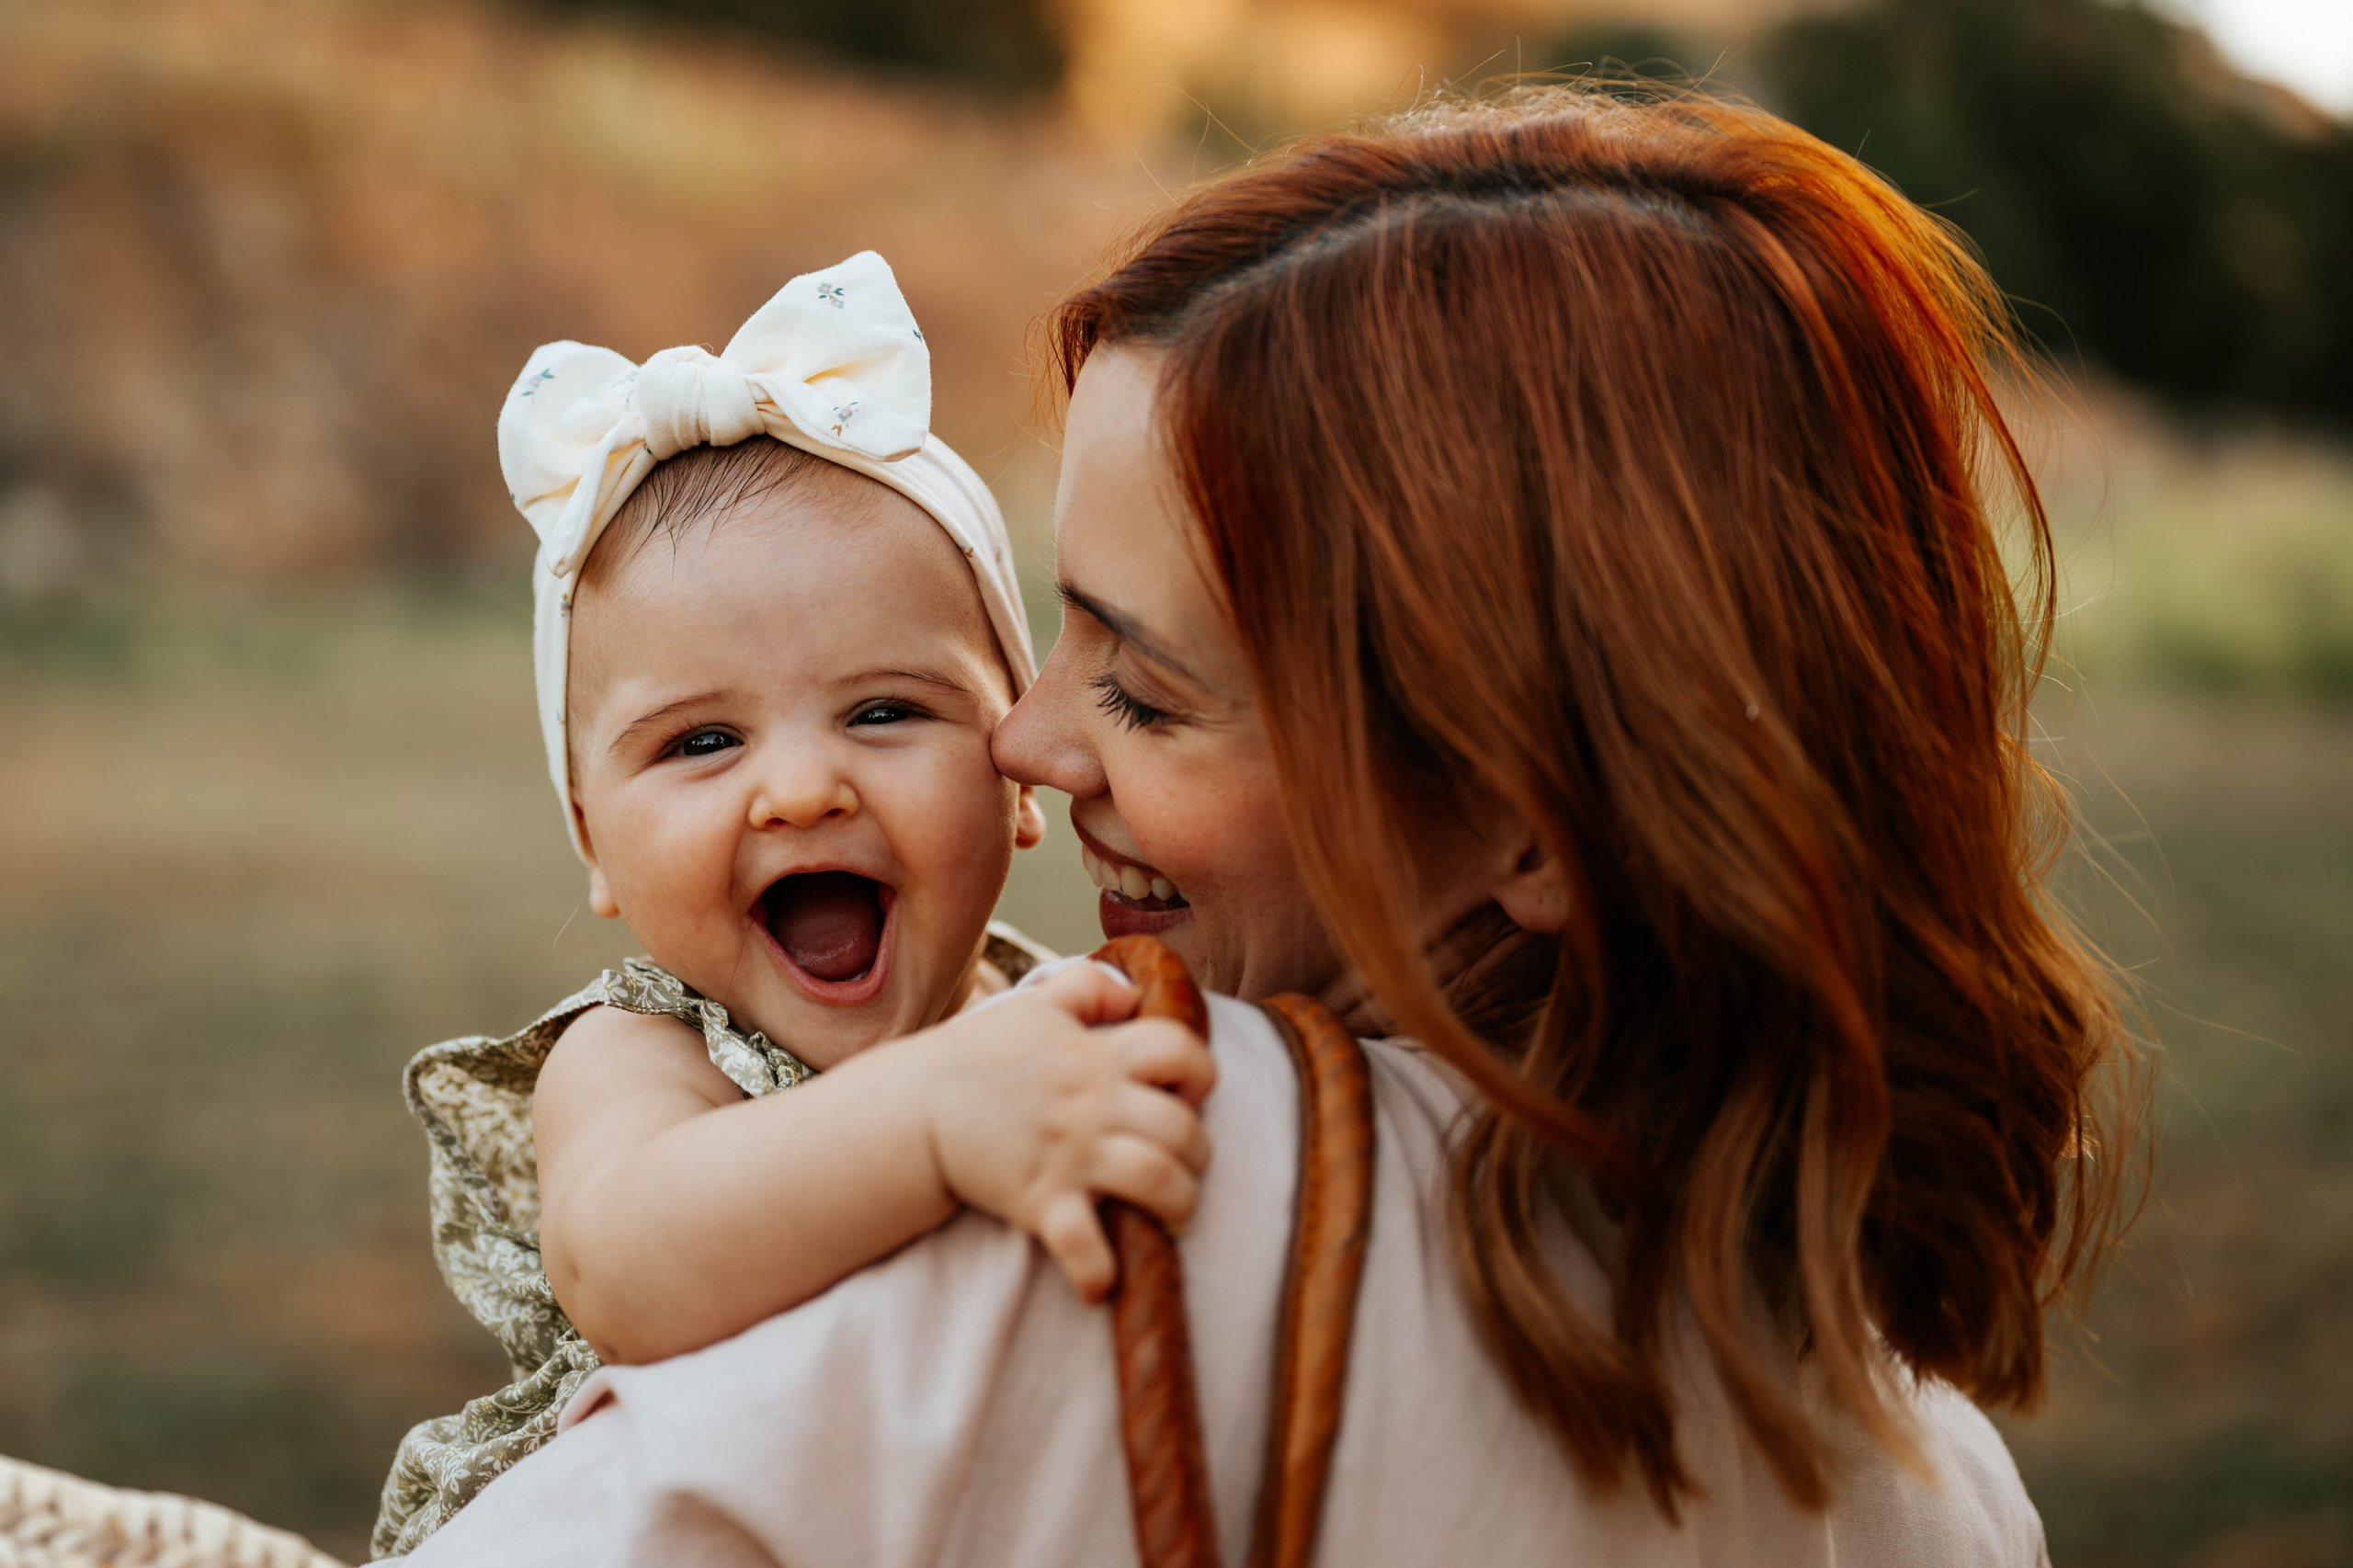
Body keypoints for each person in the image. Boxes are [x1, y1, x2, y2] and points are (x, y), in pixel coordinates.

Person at [402, 89, 2136, 1565]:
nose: (1026, 735)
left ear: (1526, 819)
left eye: (1145, 690)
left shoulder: (1131, 1191)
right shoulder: (1930, 1468)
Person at [372, 253, 1214, 1557]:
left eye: (885, 711)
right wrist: (933, 1121)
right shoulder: (639, 1057)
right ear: (592, 840)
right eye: (702, 744)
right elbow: (627, 1260)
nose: (802, 789)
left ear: (1015, 771)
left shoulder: (1034, 1016)